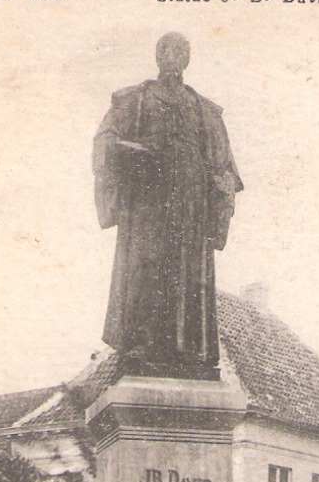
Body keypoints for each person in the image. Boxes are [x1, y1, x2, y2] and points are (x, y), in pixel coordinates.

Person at [93, 33, 242, 374]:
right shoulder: (135, 100)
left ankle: (190, 353)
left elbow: (225, 167)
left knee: (189, 275)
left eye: (178, 52)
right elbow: (105, 142)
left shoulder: (204, 110)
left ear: (187, 60)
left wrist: (221, 192)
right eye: (164, 50)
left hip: (191, 207)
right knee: (146, 268)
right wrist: (135, 152)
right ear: (157, 56)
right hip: (148, 203)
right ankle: (140, 347)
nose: (170, 57)